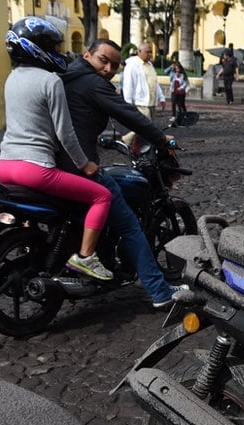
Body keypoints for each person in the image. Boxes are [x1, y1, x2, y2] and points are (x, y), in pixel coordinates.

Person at [58, 38, 187, 308]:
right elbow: (128, 114)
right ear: (86, 55)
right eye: (102, 60)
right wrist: (161, 139)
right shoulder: (92, 83)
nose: (108, 69)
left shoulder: (64, 77)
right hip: (79, 166)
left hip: (52, 164)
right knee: (130, 226)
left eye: (114, 65)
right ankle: (160, 292)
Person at [0, 17, 112, 281]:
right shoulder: (51, 81)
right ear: (38, 49)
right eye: (52, 47)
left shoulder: (11, 78)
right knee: (101, 196)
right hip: (35, 169)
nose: (58, 53)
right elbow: (65, 134)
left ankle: (33, 243)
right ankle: (85, 258)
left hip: (5, 166)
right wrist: (85, 164)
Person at [121, 42, 166, 121]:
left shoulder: (150, 65)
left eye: (151, 52)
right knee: (145, 128)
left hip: (151, 104)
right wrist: (128, 104)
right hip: (141, 104)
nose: (150, 54)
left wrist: (161, 97)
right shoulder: (132, 65)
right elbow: (129, 85)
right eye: (147, 52)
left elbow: (155, 82)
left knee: (148, 128)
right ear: (139, 52)